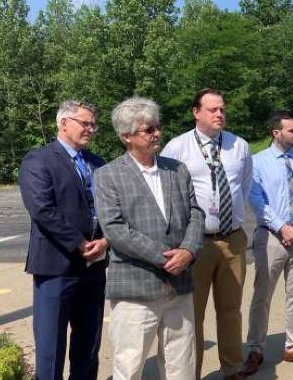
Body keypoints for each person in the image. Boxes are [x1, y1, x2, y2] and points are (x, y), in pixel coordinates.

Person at [95, 96, 205, 380]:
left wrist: (189, 251)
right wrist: (166, 257)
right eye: (148, 129)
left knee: (181, 365)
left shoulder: (177, 169)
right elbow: (115, 229)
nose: (157, 133)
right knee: (129, 366)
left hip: (179, 286)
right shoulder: (108, 176)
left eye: (157, 126)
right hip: (136, 289)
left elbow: (195, 213)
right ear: (126, 136)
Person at [160, 88, 253, 380]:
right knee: (192, 313)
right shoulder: (177, 148)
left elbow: (244, 187)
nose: (219, 114)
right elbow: (166, 192)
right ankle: (191, 372)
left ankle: (233, 368)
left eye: (222, 109)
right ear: (196, 112)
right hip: (194, 243)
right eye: (212, 109)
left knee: (231, 309)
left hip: (233, 239)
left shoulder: (239, 146)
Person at [19, 100, 107, 380]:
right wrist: (80, 244)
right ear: (64, 123)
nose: (91, 129)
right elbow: (42, 209)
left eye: (94, 124)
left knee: (89, 342)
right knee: (50, 346)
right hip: (56, 266)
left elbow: (111, 207)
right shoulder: (39, 160)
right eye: (85, 123)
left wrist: (105, 241)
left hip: (94, 268)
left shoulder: (97, 163)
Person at [244, 111, 293, 373]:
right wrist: (281, 226)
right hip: (270, 237)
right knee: (262, 295)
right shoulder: (257, 162)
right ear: (276, 133)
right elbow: (256, 201)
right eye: (292, 130)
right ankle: (255, 348)